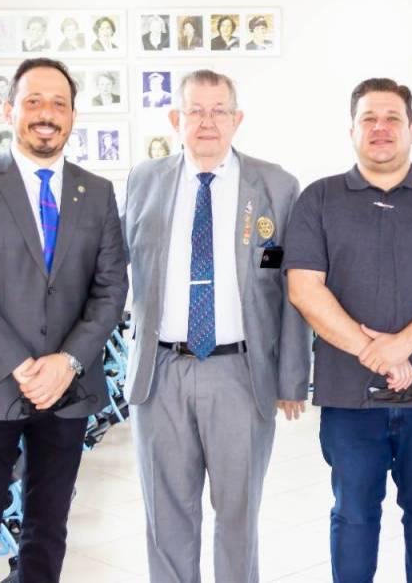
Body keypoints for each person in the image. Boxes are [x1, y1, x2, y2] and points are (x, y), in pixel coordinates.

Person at [284, 77, 412, 583]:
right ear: (351, 131)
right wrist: (375, 352)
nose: (381, 128)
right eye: (369, 119)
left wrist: (403, 345)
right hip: (348, 398)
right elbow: (305, 290)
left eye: (393, 118)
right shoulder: (319, 199)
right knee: (353, 515)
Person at [0, 57, 129, 582]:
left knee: (47, 529)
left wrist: (67, 361)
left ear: (72, 116)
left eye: (59, 104)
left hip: (68, 389)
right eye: (34, 101)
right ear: (9, 111)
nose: (47, 114)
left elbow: (111, 288)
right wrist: (21, 364)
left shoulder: (97, 192)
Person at [122, 69, 310, 582]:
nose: (207, 122)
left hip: (239, 373)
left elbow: (294, 288)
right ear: (175, 119)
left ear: (237, 118)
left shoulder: (276, 186)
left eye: (219, 111)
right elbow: (113, 271)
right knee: (166, 519)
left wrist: (292, 377)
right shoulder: (143, 181)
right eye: (195, 111)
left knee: (237, 516)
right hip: (160, 372)